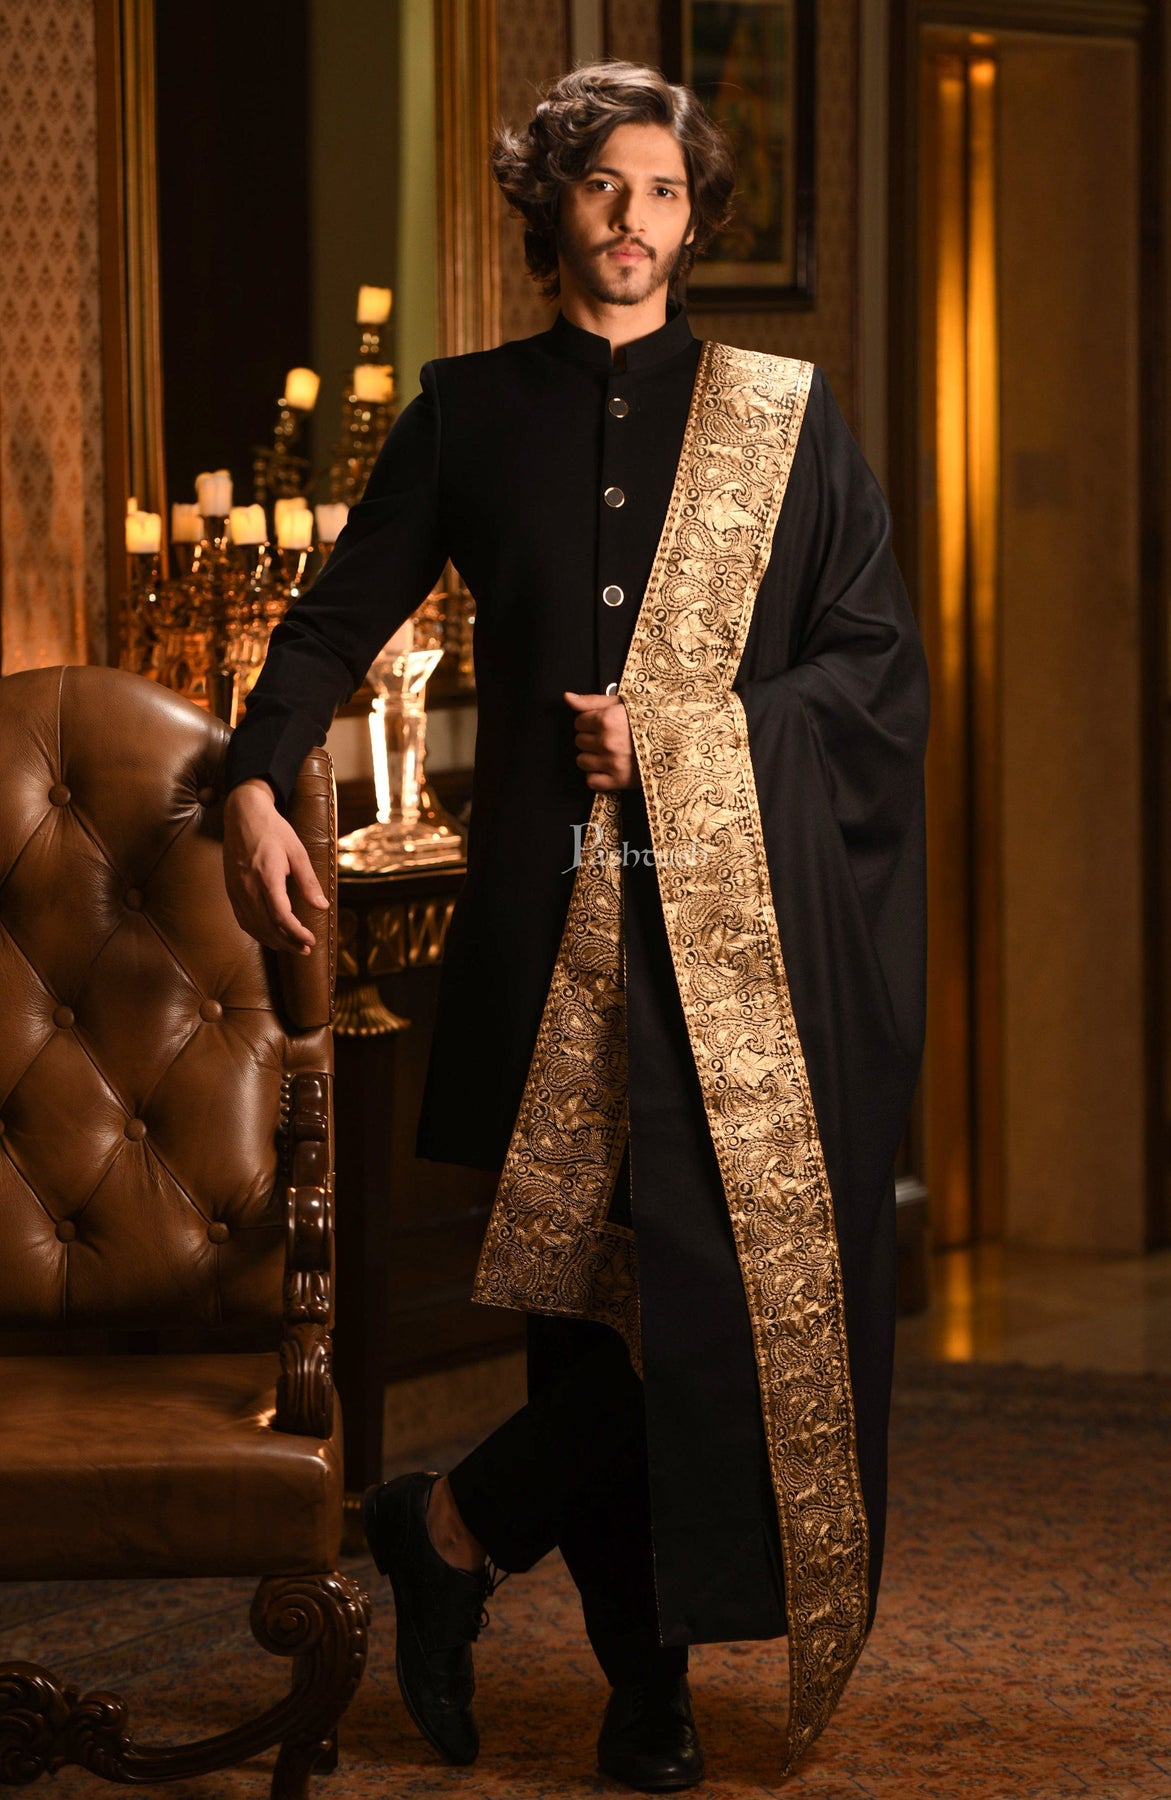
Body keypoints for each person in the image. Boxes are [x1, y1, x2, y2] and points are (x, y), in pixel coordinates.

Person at [222, 61, 929, 1791]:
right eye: (604, 185)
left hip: (735, 943)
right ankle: (645, 1688)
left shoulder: (785, 420)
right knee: (586, 1311)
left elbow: (871, 668)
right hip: (553, 932)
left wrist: (686, 738)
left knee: (707, 1301)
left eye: (664, 190)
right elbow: (333, 620)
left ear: (694, 217)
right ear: (552, 205)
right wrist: (251, 778)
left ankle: (449, 1528)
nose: (634, 218)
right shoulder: (468, 413)